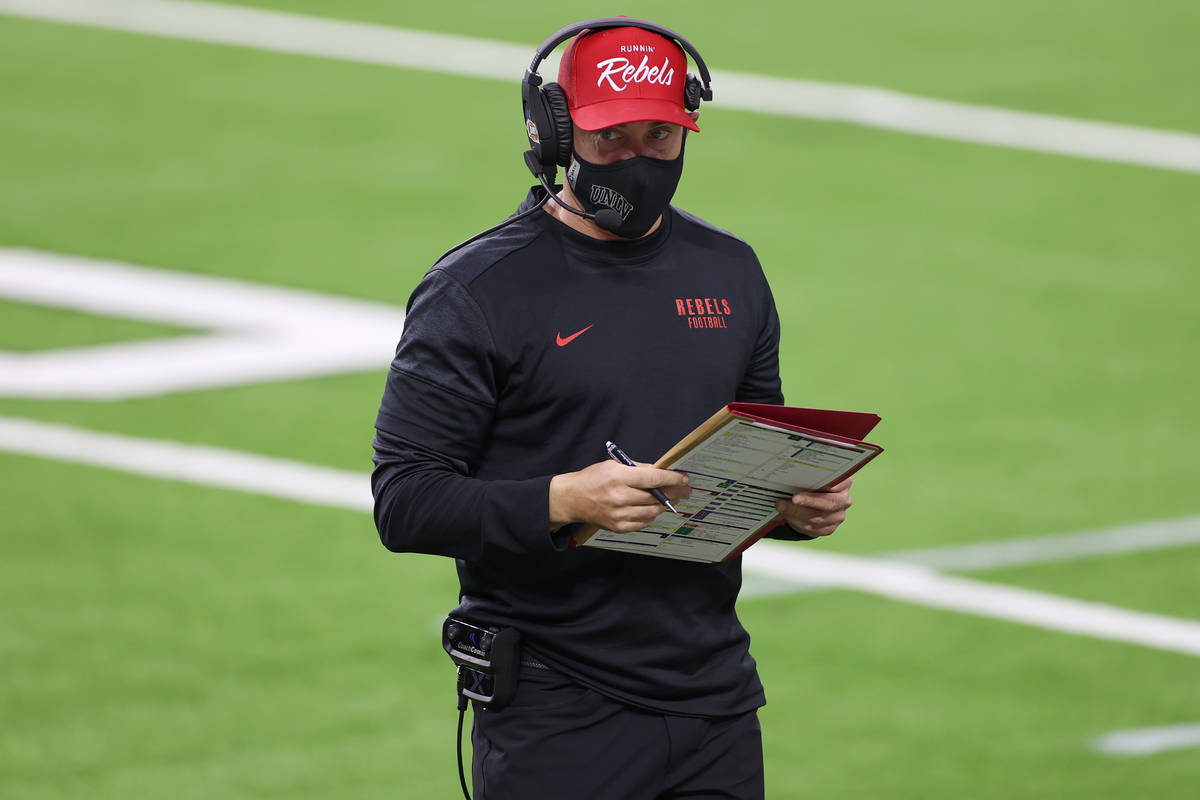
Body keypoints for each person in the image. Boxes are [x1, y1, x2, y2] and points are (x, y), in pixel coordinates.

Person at [371, 17, 854, 800]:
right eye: (610, 139)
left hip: (715, 700)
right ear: (555, 131)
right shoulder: (478, 291)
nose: (637, 162)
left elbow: (758, 451)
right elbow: (406, 502)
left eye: (659, 138)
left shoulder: (729, 272)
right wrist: (564, 499)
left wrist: (795, 506)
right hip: (557, 713)